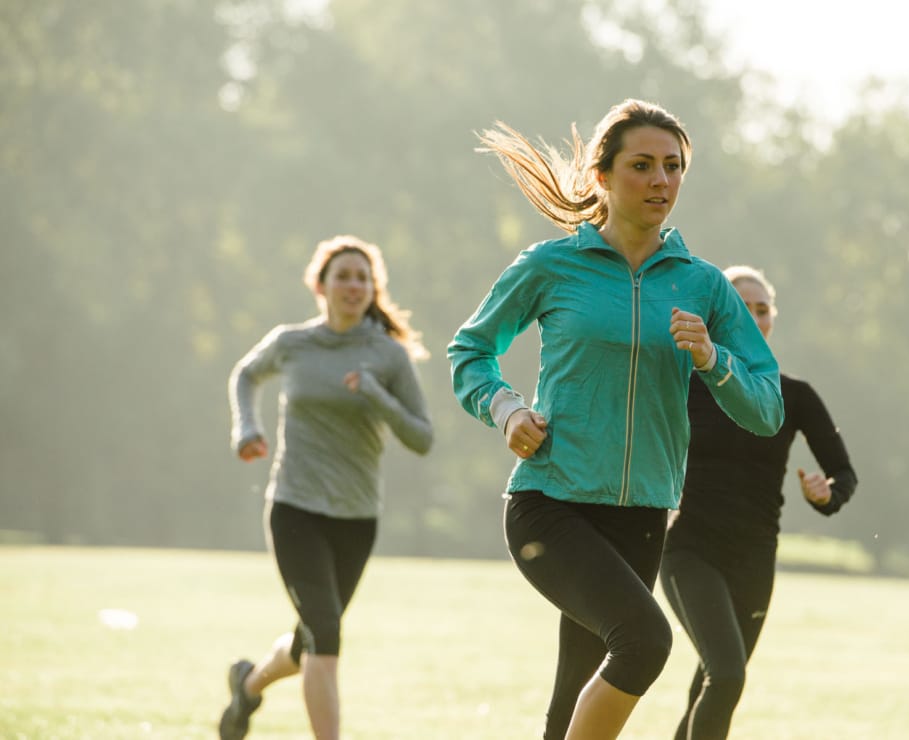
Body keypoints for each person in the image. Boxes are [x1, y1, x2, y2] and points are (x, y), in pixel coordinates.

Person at [447, 99, 784, 740]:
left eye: (673, 166)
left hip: (642, 515)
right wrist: (506, 408)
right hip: (550, 503)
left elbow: (767, 408)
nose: (661, 180)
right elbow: (471, 350)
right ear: (602, 175)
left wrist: (712, 359)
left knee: (573, 695)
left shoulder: (704, 286)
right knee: (645, 642)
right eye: (643, 165)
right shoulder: (551, 266)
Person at [219, 235, 433, 740]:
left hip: (357, 518)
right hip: (295, 508)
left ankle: (248, 685)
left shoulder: (388, 356)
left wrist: (376, 394)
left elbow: (422, 438)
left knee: (312, 638)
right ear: (320, 286)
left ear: (373, 289)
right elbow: (246, 375)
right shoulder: (292, 343)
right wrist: (245, 427)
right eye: (343, 276)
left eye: (363, 278)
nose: (353, 285)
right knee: (326, 633)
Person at [660, 265, 859, 740]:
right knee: (727, 675)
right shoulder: (685, 382)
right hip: (690, 550)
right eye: (741, 307)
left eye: (762, 308)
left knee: (715, 682)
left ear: (773, 318)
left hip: (754, 560)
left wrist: (826, 494)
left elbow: (843, 473)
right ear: (718, 315)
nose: (753, 316)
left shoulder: (795, 395)